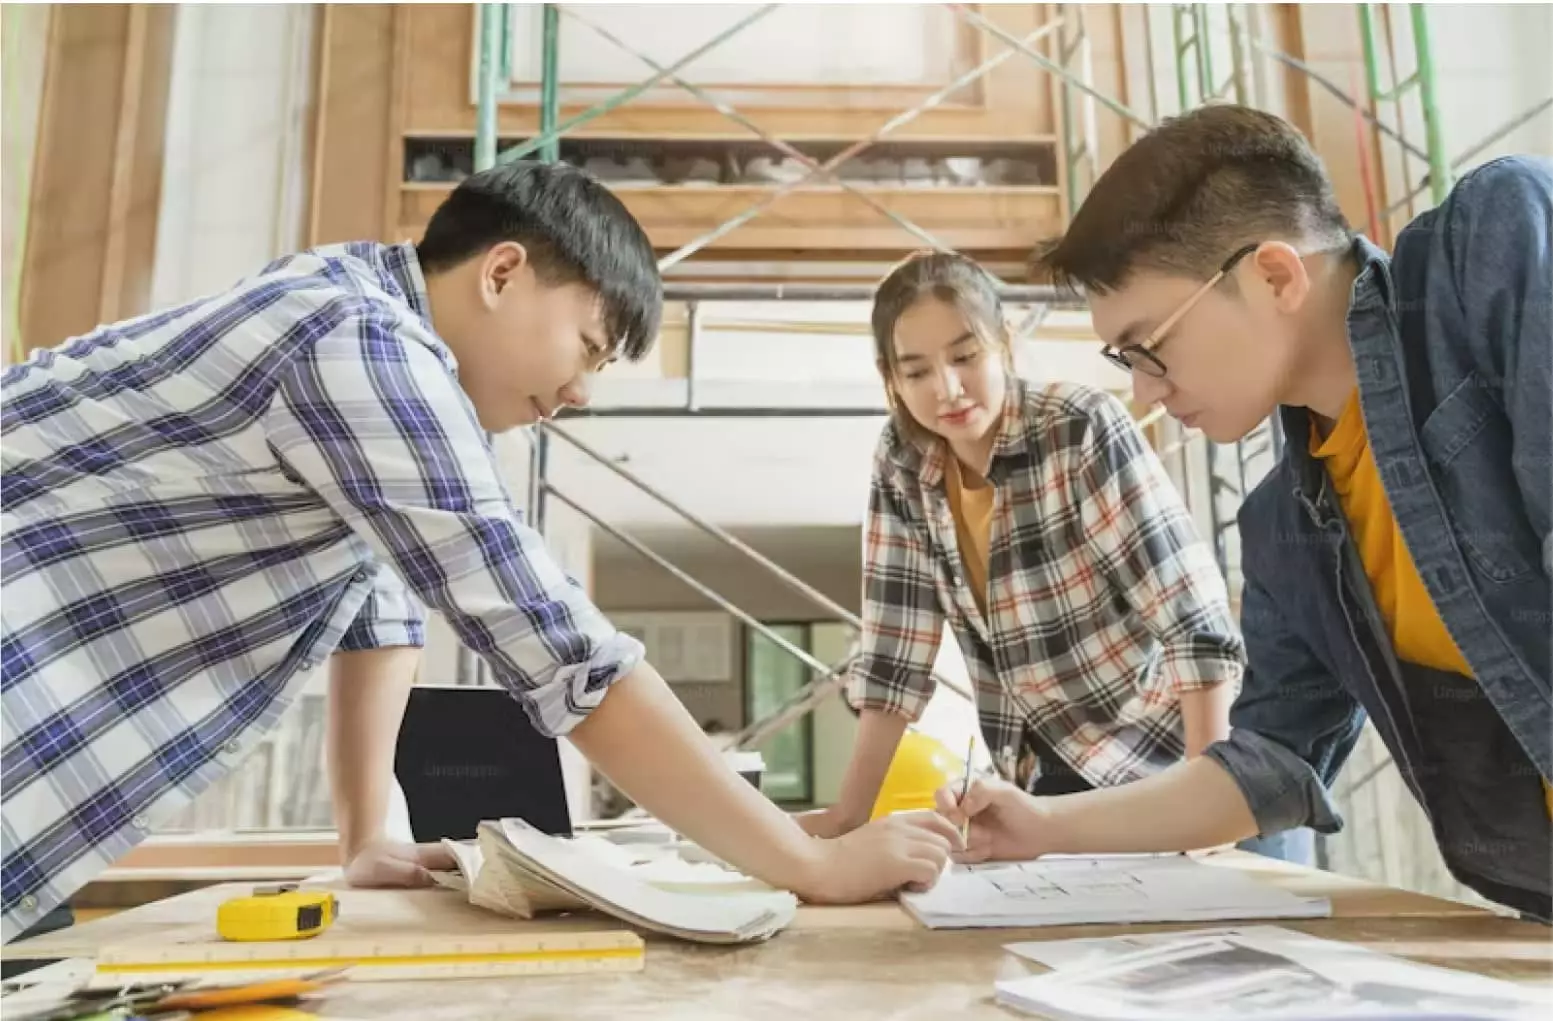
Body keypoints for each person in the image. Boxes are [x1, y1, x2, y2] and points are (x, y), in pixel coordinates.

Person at [0, 160, 962, 945]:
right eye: (588, 346)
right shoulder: (363, 346)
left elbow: (377, 606)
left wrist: (367, 834)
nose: (582, 391)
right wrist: (810, 865)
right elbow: (553, 643)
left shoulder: (354, 312)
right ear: (502, 274)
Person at [936, 104, 1551, 921]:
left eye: (1148, 345)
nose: (1144, 390)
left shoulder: (1489, 248)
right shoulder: (1283, 529)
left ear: (1272, 276)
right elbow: (1270, 762)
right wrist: (1042, 823)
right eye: (1124, 361)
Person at [797, 250, 1296, 854]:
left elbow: (1192, 621)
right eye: (917, 371)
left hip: (1186, 758)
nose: (947, 389)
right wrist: (851, 814)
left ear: (1004, 343)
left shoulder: (1078, 427)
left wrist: (1204, 804)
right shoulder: (903, 460)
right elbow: (894, 655)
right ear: (891, 378)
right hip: (1054, 784)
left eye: (964, 356)